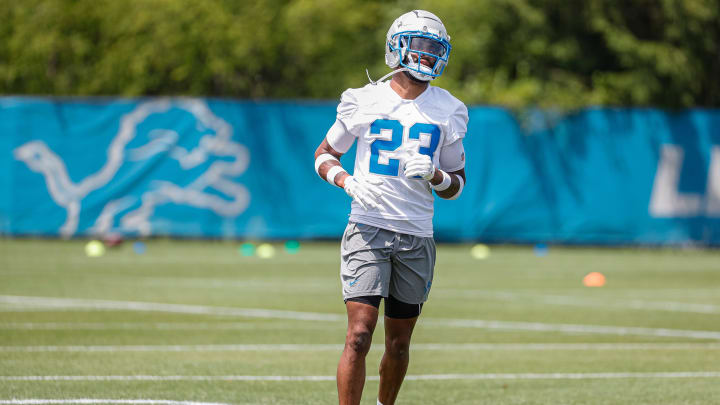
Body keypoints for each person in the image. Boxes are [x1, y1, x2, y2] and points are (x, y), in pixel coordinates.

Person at [313, 10, 468, 405]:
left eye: (436, 49)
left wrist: (435, 175)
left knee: (398, 344)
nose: (430, 56)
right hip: (368, 226)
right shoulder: (362, 100)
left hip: (416, 234)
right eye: (423, 47)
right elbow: (324, 155)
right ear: (397, 47)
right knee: (359, 334)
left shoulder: (449, 109)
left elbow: (457, 184)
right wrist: (346, 180)